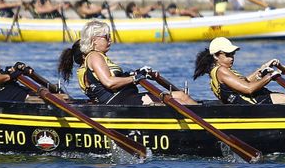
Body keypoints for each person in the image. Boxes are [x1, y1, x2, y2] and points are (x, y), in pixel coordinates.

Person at [57, 20, 194, 106]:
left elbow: (117, 78)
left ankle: (205, 114)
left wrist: (137, 73)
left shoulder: (100, 56)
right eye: (106, 37)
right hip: (118, 102)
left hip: (125, 97)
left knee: (181, 96)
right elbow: (109, 82)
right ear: (94, 40)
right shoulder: (94, 57)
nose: (110, 40)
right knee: (178, 101)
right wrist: (135, 78)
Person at [192, 36, 285, 105]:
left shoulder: (220, 70)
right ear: (215, 56)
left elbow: (243, 81)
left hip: (252, 101)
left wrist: (261, 70)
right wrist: (270, 76)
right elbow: (248, 89)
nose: (231, 58)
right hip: (251, 106)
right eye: (227, 55)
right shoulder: (221, 71)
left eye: (233, 54)